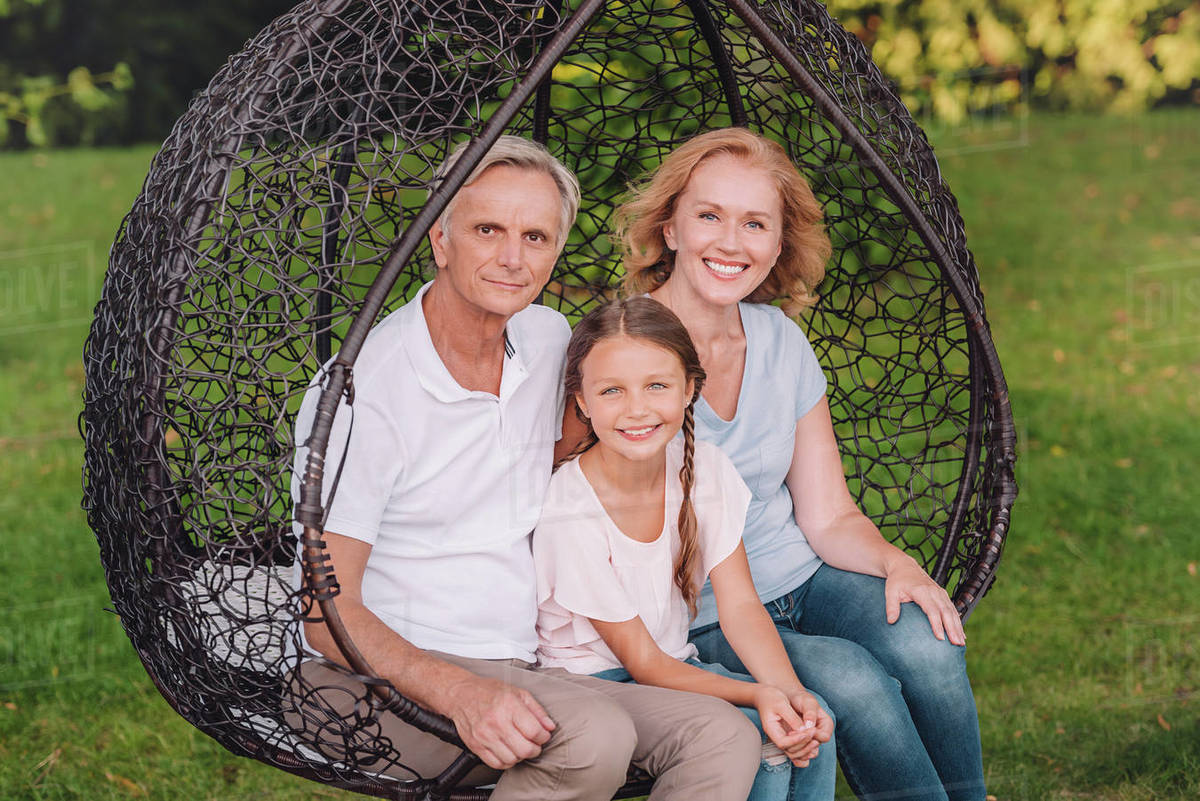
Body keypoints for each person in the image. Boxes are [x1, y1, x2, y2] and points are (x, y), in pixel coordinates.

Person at [287, 135, 761, 801]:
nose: (513, 257)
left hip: (526, 665)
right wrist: (461, 692)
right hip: (370, 677)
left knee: (724, 736)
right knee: (593, 736)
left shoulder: (544, 339)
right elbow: (322, 610)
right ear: (441, 239)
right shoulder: (366, 391)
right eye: (488, 229)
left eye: (536, 237)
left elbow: (591, 443)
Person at [611, 127, 988, 801]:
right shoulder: (623, 356)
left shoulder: (781, 342)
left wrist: (893, 562)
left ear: (779, 243)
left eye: (755, 223)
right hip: (704, 613)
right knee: (851, 681)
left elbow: (828, 513)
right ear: (670, 228)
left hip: (805, 576)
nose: (731, 243)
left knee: (929, 643)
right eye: (709, 216)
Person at [533, 296, 836, 801]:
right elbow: (643, 664)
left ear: (690, 388)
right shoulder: (570, 509)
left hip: (673, 664)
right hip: (593, 685)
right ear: (582, 403)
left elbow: (740, 608)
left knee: (807, 722)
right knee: (760, 744)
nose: (637, 409)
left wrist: (790, 693)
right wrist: (760, 695)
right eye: (612, 391)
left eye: (657, 385)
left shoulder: (706, 469)